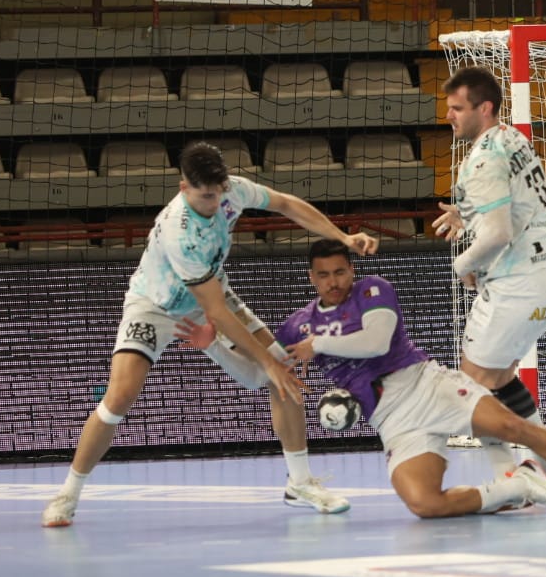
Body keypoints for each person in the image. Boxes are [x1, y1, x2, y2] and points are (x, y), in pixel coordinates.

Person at [40, 141, 375, 527]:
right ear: (185, 188)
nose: (215, 202)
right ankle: (67, 494)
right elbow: (215, 310)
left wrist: (344, 237)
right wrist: (265, 361)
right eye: (205, 196)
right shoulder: (180, 232)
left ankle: (299, 483)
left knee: (281, 367)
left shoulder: (232, 190)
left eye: (218, 193)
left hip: (212, 291)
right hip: (156, 306)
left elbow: (285, 203)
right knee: (119, 398)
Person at [188, 239, 546, 518]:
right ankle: (520, 484)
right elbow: (258, 376)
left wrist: (320, 345)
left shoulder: (372, 291)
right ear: (312, 278)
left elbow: (377, 341)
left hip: (425, 384)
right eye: (323, 275)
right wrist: (213, 345)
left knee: (511, 426)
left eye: (340, 271)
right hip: (391, 420)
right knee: (424, 503)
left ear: (351, 270)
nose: (333, 282)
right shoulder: (297, 326)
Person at [429, 66, 546, 483]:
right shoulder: (513, 138)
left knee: (471, 388)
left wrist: (463, 265)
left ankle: (507, 479)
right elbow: (514, 203)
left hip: (518, 281)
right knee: (500, 375)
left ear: (485, 107)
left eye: (457, 108)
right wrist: (467, 211)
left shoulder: (482, 159)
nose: (450, 116)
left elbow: (497, 234)